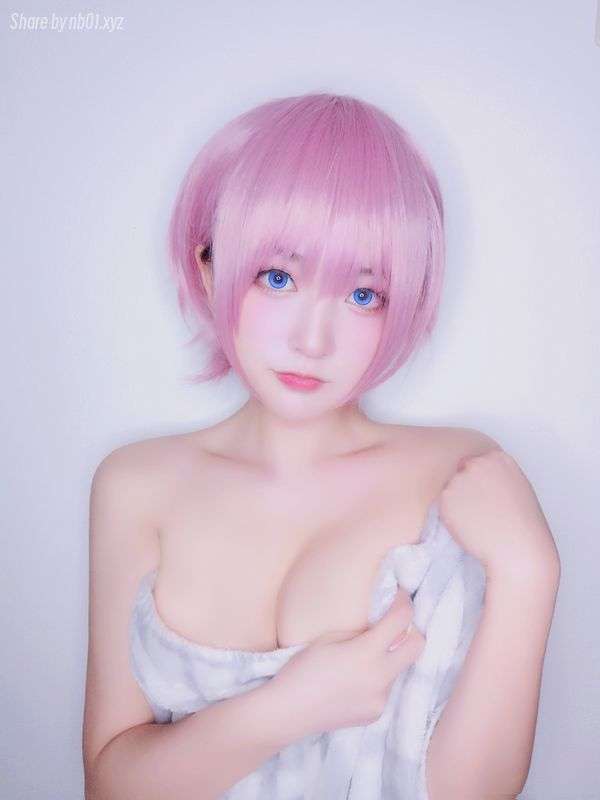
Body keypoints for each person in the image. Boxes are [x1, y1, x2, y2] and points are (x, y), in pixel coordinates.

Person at [82, 92, 561, 800]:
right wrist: (293, 706)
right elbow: (109, 785)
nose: (313, 340)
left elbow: (472, 792)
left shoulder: (457, 475)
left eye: (363, 295)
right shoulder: (136, 484)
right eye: (277, 278)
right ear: (209, 268)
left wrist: (530, 570)